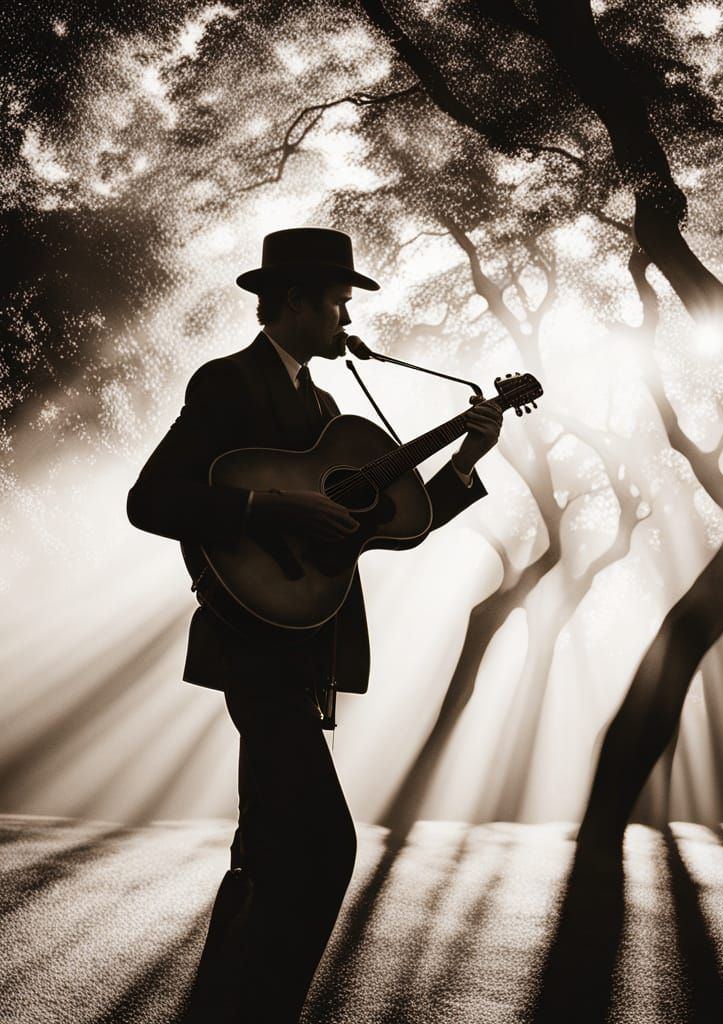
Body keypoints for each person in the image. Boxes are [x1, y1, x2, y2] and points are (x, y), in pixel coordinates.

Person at [126, 227, 502, 1023]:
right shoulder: (227, 383)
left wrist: (467, 456)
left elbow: (396, 525)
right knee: (326, 846)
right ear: (290, 301)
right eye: (335, 302)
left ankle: (221, 1006)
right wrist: (270, 505)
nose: (345, 319)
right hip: (252, 643)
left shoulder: (329, 410)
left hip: (309, 648)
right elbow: (151, 500)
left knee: (262, 848)